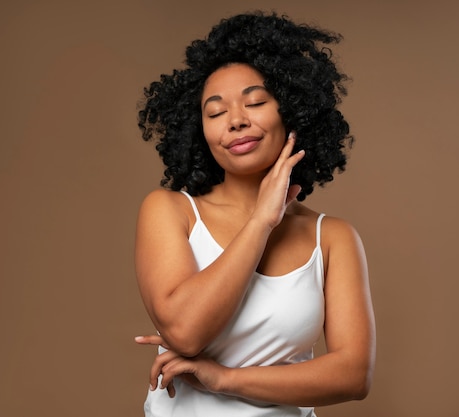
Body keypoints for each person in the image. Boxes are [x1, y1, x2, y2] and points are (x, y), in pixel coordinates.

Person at [133, 10, 376, 417]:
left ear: (292, 111)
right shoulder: (170, 210)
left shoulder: (332, 238)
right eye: (215, 112)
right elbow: (185, 332)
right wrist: (261, 220)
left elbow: (353, 375)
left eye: (256, 102)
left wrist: (225, 379)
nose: (236, 121)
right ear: (199, 130)